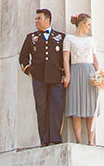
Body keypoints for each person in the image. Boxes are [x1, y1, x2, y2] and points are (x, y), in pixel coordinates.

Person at [18, 8, 68, 146]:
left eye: (38, 18)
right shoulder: (31, 37)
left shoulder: (60, 37)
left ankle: (55, 138)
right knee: (41, 108)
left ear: (47, 20)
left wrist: (65, 74)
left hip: (56, 77)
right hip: (39, 78)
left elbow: (66, 58)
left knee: (56, 108)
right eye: (35, 19)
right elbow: (23, 57)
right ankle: (45, 140)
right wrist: (29, 71)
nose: (36, 21)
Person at [62, 13, 102, 145]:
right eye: (88, 24)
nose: (89, 27)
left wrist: (100, 75)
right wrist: (67, 75)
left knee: (91, 108)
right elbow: (66, 59)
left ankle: (91, 141)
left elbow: (95, 58)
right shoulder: (69, 39)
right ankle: (79, 140)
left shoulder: (90, 40)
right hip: (75, 71)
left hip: (89, 73)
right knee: (76, 107)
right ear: (81, 23)